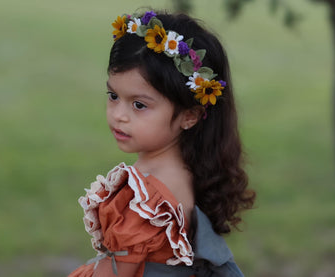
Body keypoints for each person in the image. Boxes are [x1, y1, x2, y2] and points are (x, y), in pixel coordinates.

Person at [69, 10, 255, 277]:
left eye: (139, 105)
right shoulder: (189, 170)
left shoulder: (148, 196)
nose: (119, 115)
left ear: (189, 116)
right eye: (113, 95)